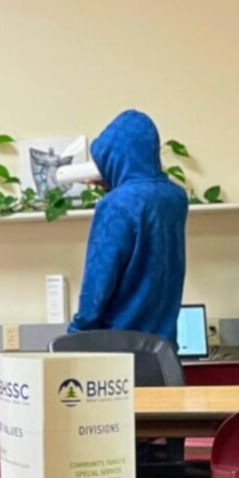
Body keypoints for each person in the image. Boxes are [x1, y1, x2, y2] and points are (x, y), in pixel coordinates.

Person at [69, 109, 188, 343]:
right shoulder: (176, 198)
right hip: (163, 352)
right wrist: (112, 184)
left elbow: (98, 284)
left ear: (115, 157)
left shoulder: (116, 205)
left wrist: (77, 333)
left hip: (117, 352)